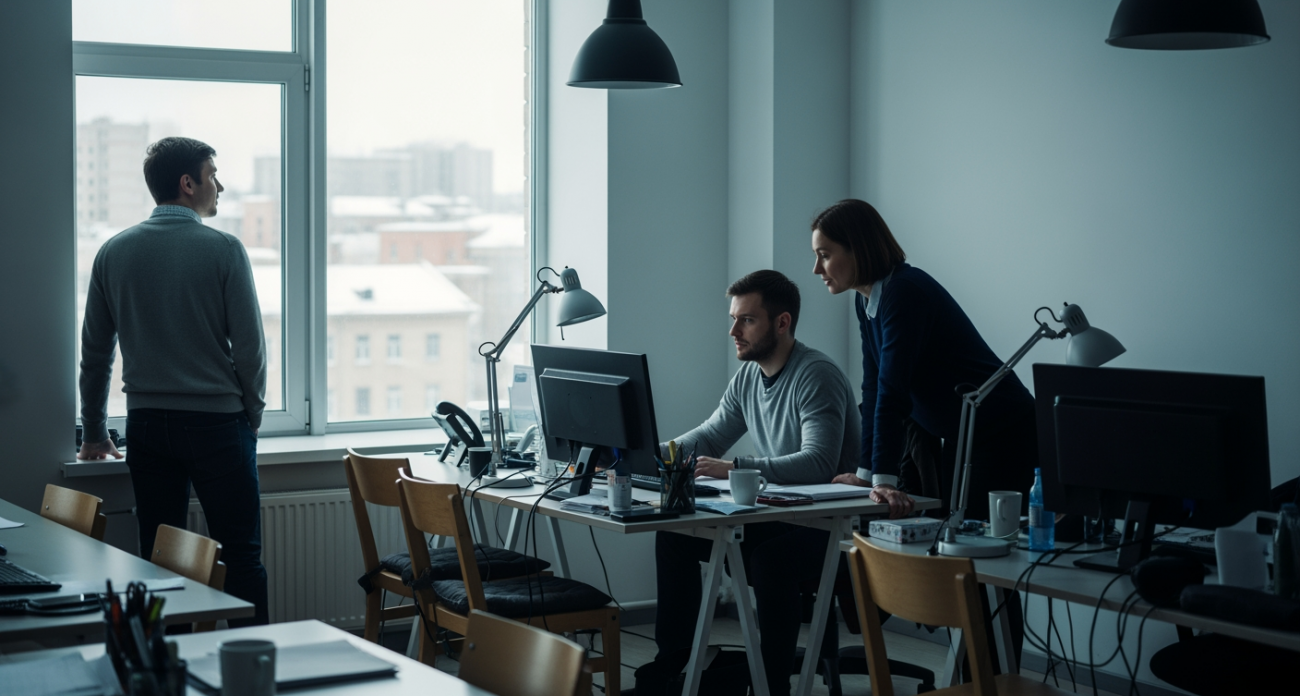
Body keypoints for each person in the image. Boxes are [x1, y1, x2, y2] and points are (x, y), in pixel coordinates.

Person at [78, 137, 269, 626]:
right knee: (240, 556)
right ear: (188, 183)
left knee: (159, 560)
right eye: (212, 175)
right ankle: (252, 664)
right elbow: (250, 350)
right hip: (217, 426)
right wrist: (252, 414)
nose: (220, 186)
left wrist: (95, 431)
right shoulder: (225, 249)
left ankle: (168, 663)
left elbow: (96, 354)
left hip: (147, 427)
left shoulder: (113, 251)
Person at [651, 270, 858, 695]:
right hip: (782, 515)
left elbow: (819, 462)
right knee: (674, 535)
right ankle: (672, 670)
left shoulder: (816, 374)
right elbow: (709, 436)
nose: (734, 332)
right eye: (734, 319)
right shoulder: (749, 378)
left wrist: (734, 467)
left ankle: (771, 685)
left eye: (746, 320)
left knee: (770, 559)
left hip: (832, 527)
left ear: (782, 323)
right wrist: (645, 453)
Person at [810, 199, 1038, 522]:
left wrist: (884, 480)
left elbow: (892, 391)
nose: (817, 269)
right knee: (955, 533)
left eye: (824, 255)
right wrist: (867, 474)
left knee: (980, 541)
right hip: (963, 433)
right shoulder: (867, 302)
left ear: (857, 250)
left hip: (1002, 429)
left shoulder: (903, 292)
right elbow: (873, 389)